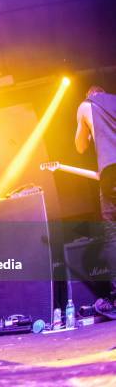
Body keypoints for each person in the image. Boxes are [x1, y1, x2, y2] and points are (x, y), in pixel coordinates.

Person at [75, 85, 116, 313]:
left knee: (112, 236)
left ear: (90, 95)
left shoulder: (86, 105)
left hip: (111, 174)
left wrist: (88, 129)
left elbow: (80, 146)